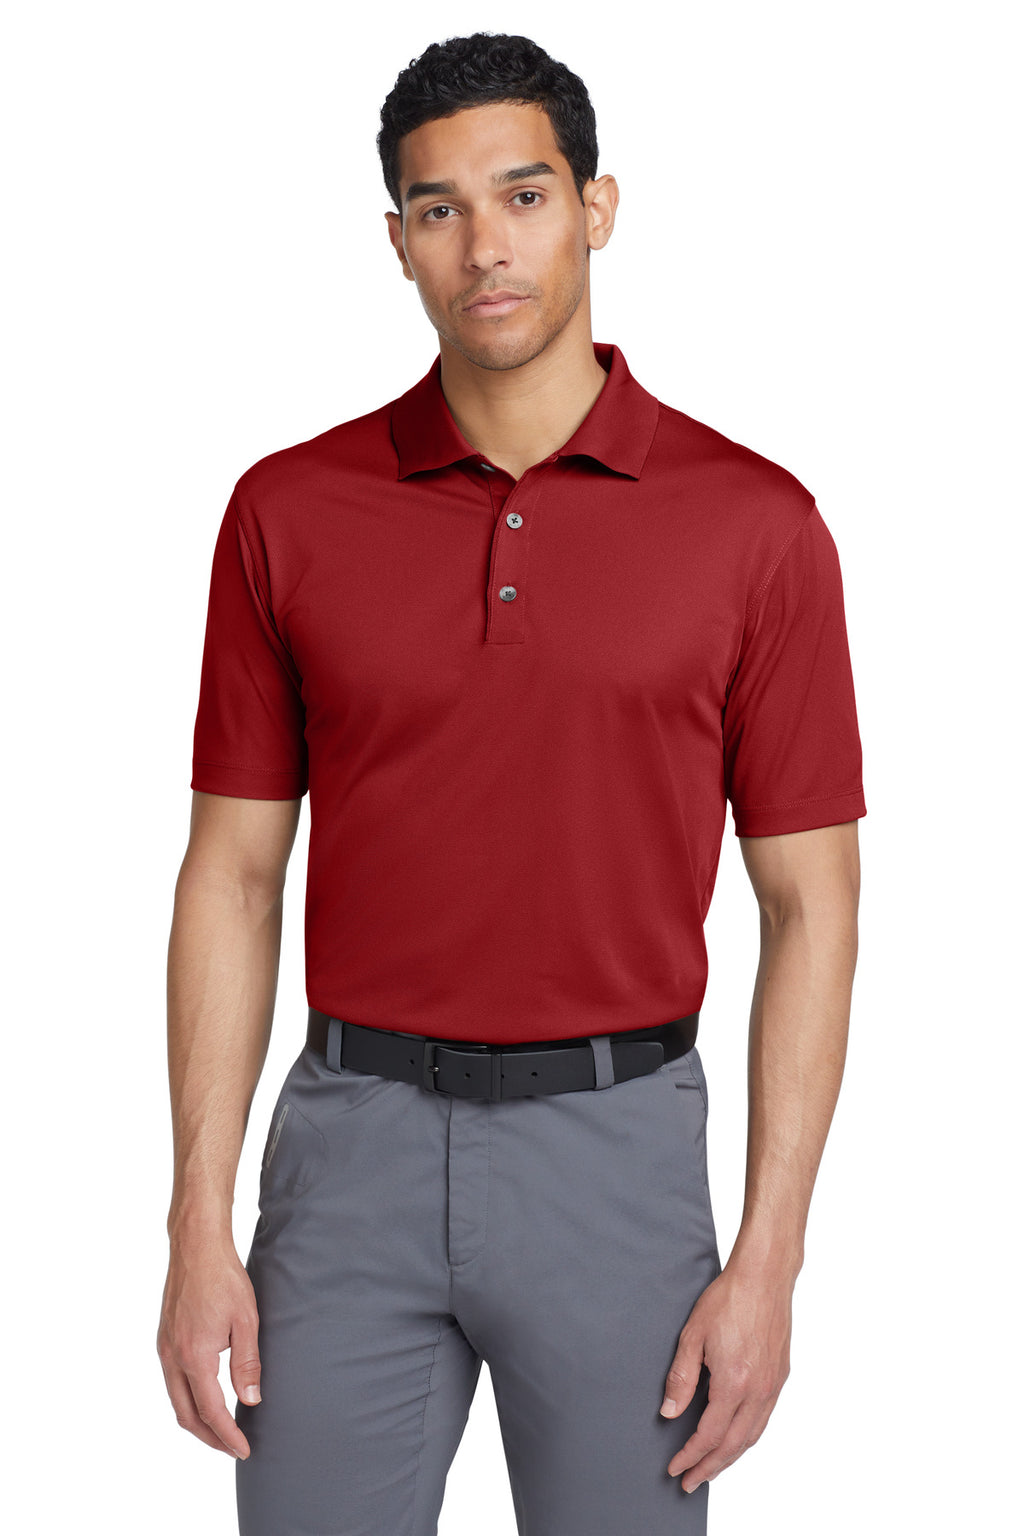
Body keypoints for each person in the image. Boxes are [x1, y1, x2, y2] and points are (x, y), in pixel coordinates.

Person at [157, 30, 865, 1536]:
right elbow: (232, 872)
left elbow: (812, 908)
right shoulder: (288, 510)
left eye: (524, 196)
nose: (485, 245)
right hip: (348, 1153)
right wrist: (195, 1222)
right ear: (398, 240)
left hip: (619, 1155)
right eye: (441, 209)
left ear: (597, 207)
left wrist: (773, 1258)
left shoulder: (757, 526)